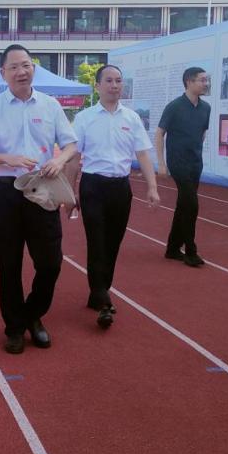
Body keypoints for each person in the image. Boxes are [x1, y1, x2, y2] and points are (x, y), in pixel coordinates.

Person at [0, 44, 78, 354]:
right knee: (9, 265)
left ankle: (32, 314)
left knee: (50, 262)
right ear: (3, 73)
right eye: (14, 67)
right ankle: (15, 328)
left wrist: (59, 160)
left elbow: (71, 145)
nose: (21, 71)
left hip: (43, 188)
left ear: (33, 68)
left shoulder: (50, 105)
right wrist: (9, 158)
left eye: (26, 65)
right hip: (7, 190)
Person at [70, 64, 159, 329]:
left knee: (112, 243)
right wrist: (69, 191)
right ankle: (103, 300)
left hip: (120, 187)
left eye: (118, 80)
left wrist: (152, 187)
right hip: (93, 186)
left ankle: (98, 291)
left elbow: (142, 154)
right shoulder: (85, 118)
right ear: (97, 85)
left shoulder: (132, 118)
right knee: (96, 241)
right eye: (108, 81)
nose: (114, 85)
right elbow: (74, 157)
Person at [155, 67, 211, 267]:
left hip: (196, 163)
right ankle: (190, 250)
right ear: (189, 81)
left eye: (206, 80)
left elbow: (202, 133)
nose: (206, 83)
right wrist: (161, 163)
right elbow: (159, 133)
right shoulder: (174, 106)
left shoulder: (206, 108)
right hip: (178, 162)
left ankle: (172, 248)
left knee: (184, 205)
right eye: (202, 80)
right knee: (192, 205)